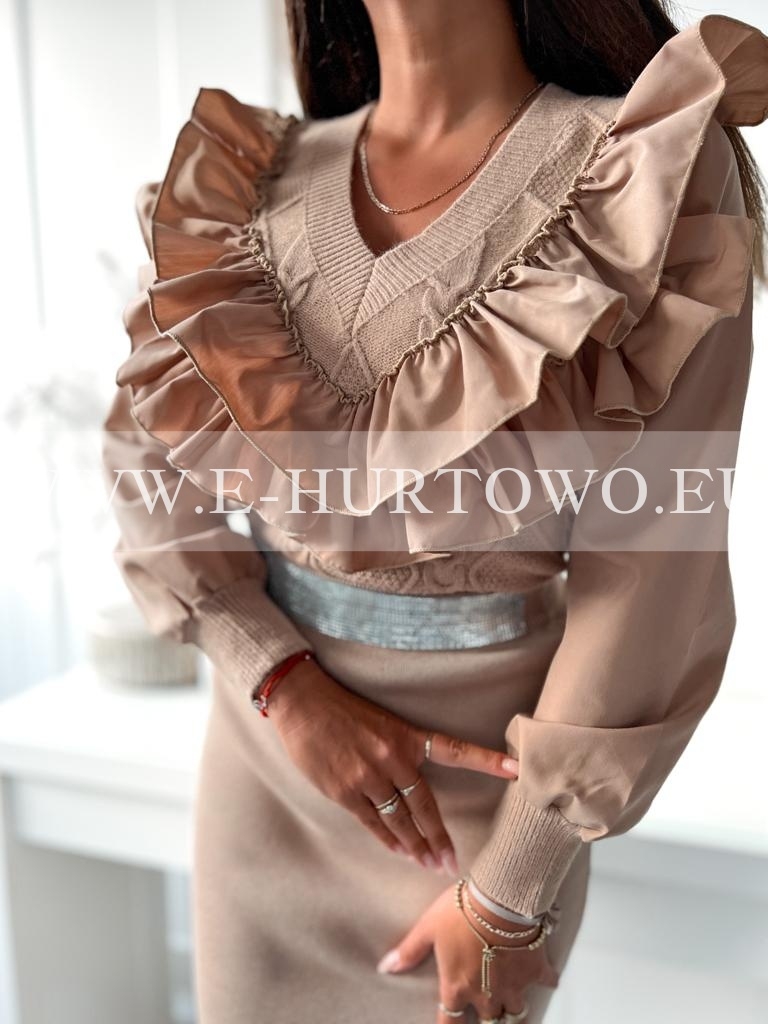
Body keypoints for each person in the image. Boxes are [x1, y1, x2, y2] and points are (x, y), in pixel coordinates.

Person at [101, 2, 767, 1021]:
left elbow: (655, 567)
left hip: (489, 822)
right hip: (265, 773)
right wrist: (280, 681)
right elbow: (147, 463)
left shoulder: (644, 167)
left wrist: (509, 889)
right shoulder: (244, 187)